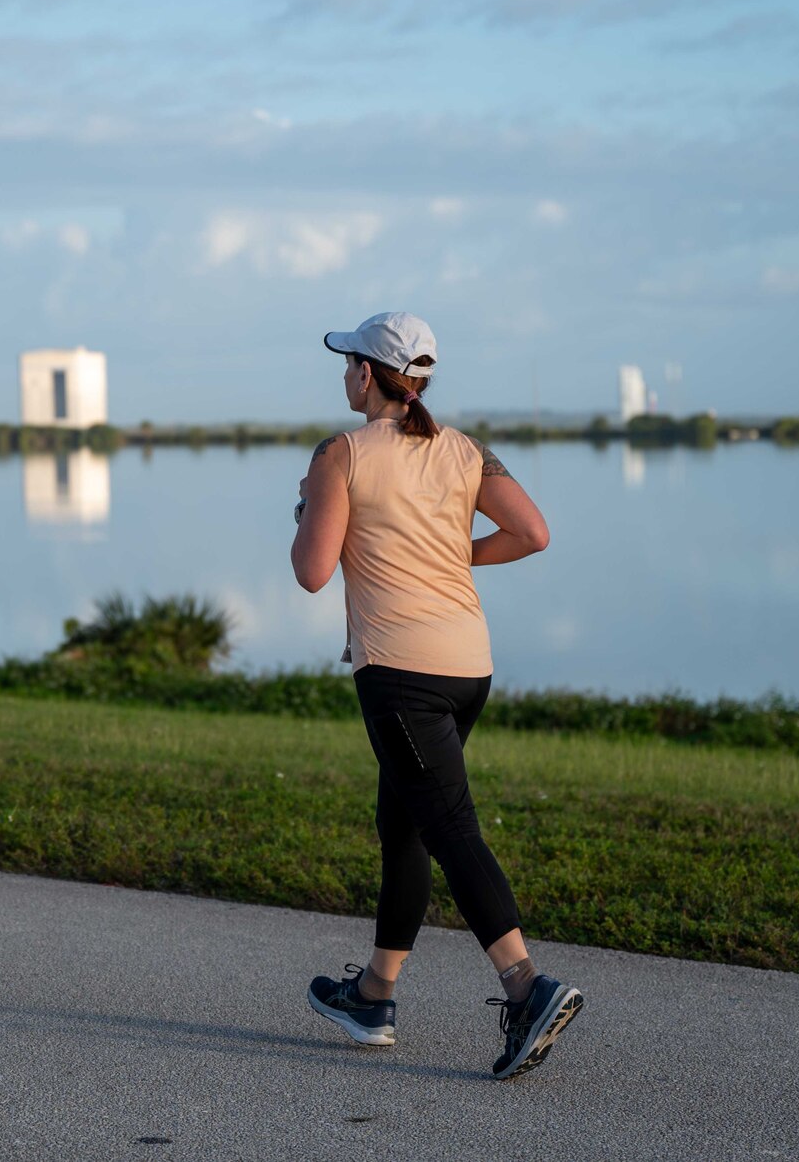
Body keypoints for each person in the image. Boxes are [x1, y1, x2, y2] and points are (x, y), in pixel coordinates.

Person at [289, 311, 581, 1081]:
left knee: (449, 826)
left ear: (365, 374)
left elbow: (313, 571)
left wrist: (304, 516)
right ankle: (373, 994)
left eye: (348, 360)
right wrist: (455, 555)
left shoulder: (339, 454)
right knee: (406, 823)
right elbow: (534, 532)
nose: (344, 373)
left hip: (400, 673)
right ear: (417, 378)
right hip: (467, 667)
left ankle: (525, 985)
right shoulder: (464, 449)